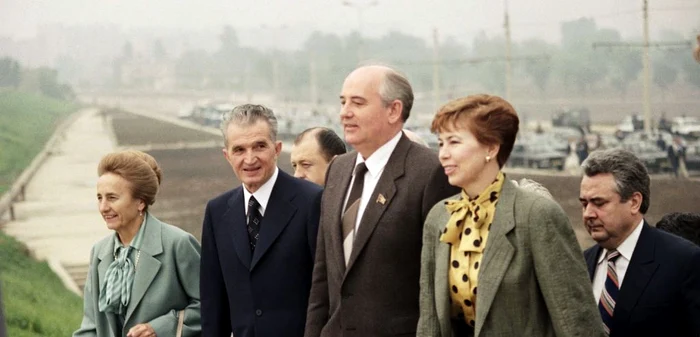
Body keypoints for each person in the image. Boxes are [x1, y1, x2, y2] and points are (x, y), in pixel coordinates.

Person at [417, 94, 603, 337]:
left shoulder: (537, 214)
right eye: (440, 143)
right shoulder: (439, 217)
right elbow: (430, 320)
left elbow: (576, 320)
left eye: (453, 142)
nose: (442, 153)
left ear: (491, 147)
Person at [304, 65, 458, 337]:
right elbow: (323, 274)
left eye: (358, 103)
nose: (344, 112)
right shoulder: (338, 169)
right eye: (343, 102)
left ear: (393, 110)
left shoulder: (430, 173)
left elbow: (443, 284)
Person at [200, 104, 323, 337]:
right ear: (227, 156)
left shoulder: (311, 201)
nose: (250, 159)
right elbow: (212, 301)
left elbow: (326, 289)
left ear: (277, 149)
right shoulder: (217, 212)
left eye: (259, 146)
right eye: (239, 150)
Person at [74, 150, 201, 337]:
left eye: (112, 198)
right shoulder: (100, 252)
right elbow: (90, 326)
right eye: (99, 198)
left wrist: (160, 329)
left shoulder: (178, 244)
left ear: (140, 202)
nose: (103, 208)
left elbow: (213, 305)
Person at [580, 148, 700, 336]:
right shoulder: (581, 263)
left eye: (599, 203)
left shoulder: (683, 261)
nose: (588, 214)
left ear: (634, 202)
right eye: (584, 204)